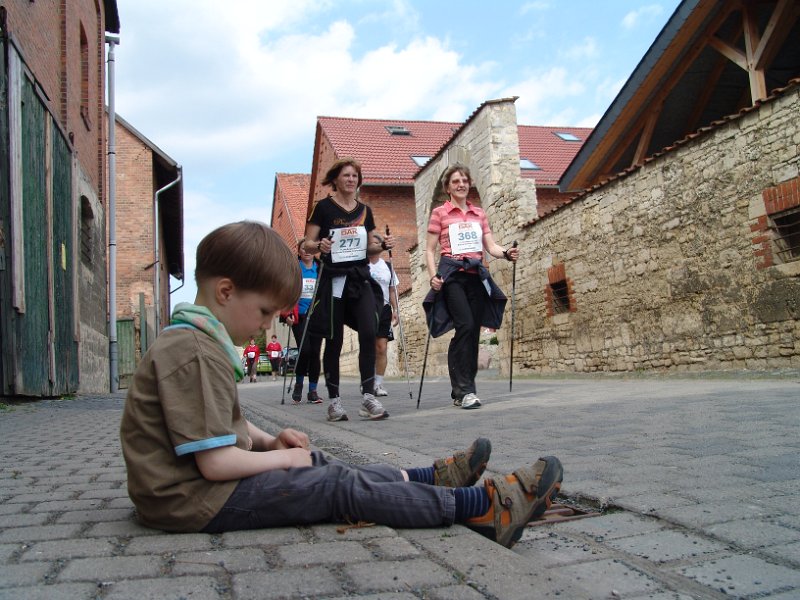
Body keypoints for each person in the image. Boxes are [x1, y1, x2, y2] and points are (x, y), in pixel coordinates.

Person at [119, 220, 563, 549]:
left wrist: (271, 441)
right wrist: (283, 459)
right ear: (226, 291)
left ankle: (430, 479)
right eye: (265, 311)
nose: (268, 324)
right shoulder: (193, 351)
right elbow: (215, 463)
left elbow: (223, 420)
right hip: (192, 500)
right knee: (334, 486)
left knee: (319, 464)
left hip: (199, 489)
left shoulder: (198, 340)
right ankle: (481, 510)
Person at [302, 158, 391, 422]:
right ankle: (334, 402)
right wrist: (319, 246)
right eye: (346, 175)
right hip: (333, 279)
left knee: (369, 331)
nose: (351, 180)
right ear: (335, 179)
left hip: (359, 278)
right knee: (334, 339)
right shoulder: (323, 208)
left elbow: (370, 247)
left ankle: (368, 397)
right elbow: (306, 244)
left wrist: (383, 245)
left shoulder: (365, 211)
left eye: (354, 176)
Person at [424, 164, 519, 410]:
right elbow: (429, 250)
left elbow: (491, 246)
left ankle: (462, 389)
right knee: (465, 324)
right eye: (456, 181)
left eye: (464, 180)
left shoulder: (479, 214)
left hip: (476, 275)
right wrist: (433, 277)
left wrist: (506, 253)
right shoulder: (440, 213)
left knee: (472, 331)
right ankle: (465, 390)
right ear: (448, 187)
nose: (461, 184)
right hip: (452, 275)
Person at [282, 239, 324, 404]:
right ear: (298, 251)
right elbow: (284, 292)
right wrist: (286, 315)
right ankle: (299, 383)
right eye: (303, 248)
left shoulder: (320, 268)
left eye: (309, 248)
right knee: (304, 350)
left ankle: (312, 391)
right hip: (298, 316)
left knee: (315, 353)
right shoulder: (293, 269)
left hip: (316, 316)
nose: (306, 251)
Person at [368, 240, 399, 397]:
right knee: (368, 347)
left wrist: (396, 309)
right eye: (371, 242)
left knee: (381, 347)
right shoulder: (362, 265)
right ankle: (367, 381)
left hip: (384, 309)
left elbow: (392, 290)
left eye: (377, 242)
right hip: (366, 309)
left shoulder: (387, 266)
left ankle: (378, 383)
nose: (375, 245)